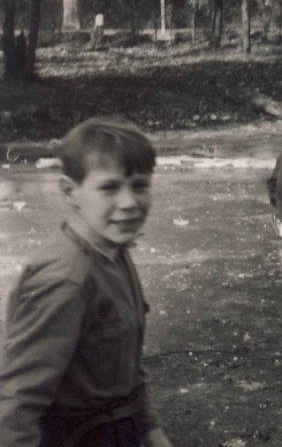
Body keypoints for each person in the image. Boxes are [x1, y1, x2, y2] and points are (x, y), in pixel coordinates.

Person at [0, 117, 172, 447]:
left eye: (140, 185)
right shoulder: (65, 280)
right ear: (69, 191)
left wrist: (151, 430)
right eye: (109, 188)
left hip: (120, 430)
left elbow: (127, 367)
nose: (129, 203)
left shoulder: (113, 248)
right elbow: (16, 404)